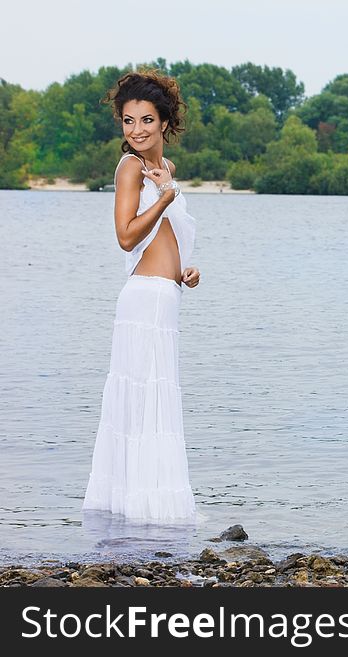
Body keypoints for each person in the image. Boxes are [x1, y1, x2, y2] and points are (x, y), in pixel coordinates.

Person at [82, 70, 200, 522]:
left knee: (156, 401)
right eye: (128, 121)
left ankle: (146, 508)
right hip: (142, 300)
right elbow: (126, 237)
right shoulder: (130, 168)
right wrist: (164, 199)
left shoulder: (166, 170)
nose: (137, 131)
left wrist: (185, 271)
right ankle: (141, 510)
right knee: (143, 399)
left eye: (146, 120)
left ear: (165, 123)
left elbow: (167, 239)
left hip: (165, 296)